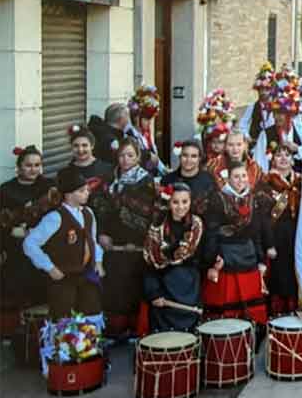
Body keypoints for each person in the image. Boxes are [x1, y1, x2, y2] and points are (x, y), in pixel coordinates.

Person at [22, 167, 104, 321]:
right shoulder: (55, 217)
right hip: (64, 277)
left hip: (86, 275)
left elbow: (92, 241)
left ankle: (89, 344)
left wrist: (98, 261)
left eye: (87, 190)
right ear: (68, 194)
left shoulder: (88, 213)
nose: (87, 193)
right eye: (81, 191)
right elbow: (29, 243)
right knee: (63, 319)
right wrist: (50, 267)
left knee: (91, 315)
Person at [99, 139, 157, 337]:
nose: (126, 160)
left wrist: (137, 240)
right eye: (122, 155)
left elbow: (149, 214)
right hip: (112, 244)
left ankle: (134, 329)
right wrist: (103, 234)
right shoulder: (109, 179)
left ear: (138, 157)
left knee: (133, 286)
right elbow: (102, 209)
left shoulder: (146, 181)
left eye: (130, 155)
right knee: (114, 286)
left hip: (134, 245)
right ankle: (115, 329)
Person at [202, 161, 269, 327]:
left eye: (244, 176)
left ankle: (250, 341)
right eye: (236, 176)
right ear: (228, 179)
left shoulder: (253, 199)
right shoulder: (218, 198)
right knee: (227, 308)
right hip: (226, 257)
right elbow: (211, 232)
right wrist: (213, 260)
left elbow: (256, 232)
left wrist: (260, 259)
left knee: (251, 309)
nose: (240, 180)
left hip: (248, 256)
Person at [0, 146, 55, 333]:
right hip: (16, 251)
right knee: (18, 290)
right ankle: (19, 335)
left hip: (43, 248)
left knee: (42, 291)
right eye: (28, 165)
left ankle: (42, 333)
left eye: (37, 165)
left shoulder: (49, 187)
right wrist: (10, 233)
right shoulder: (6, 190)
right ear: (19, 167)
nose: (33, 169)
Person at [142, 183, 203, 333]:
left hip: (189, 283)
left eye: (185, 202)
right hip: (163, 282)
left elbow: (200, 256)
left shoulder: (196, 224)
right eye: (175, 202)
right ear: (169, 203)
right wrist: (153, 292)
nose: (180, 207)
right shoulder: (157, 227)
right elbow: (150, 263)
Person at [255, 144, 302, 314]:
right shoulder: (266, 182)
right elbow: (262, 217)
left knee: (294, 277)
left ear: (292, 159)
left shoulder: (301, 182)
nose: (283, 158)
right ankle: (277, 317)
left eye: (287, 155)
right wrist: (268, 244)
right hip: (275, 239)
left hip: (297, 239)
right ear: (272, 159)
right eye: (279, 155)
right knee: (277, 279)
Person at [162, 140, 218, 212]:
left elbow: (213, 210)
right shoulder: (168, 180)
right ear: (179, 156)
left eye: (193, 156)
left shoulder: (208, 180)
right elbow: (162, 207)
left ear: (199, 158)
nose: (189, 160)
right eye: (185, 155)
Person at [239, 62, 277, 147]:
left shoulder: (277, 107)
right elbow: (242, 124)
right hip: (255, 146)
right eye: (260, 89)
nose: (263, 92)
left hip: (273, 145)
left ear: (271, 90)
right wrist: (247, 136)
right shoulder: (252, 107)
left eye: (266, 89)